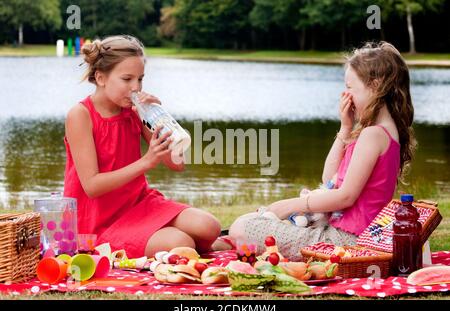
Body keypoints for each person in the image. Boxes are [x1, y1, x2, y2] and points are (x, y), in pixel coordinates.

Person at [227, 41, 417, 261]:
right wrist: (345, 128)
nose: (346, 95)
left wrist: (292, 205)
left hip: (346, 241)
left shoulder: (373, 135)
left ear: (375, 86)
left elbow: (345, 197)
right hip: (347, 235)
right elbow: (330, 179)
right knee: (249, 221)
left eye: (350, 87)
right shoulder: (377, 131)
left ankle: (239, 240)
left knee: (242, 228)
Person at [63, 35, 221, 259]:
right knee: (181, 242)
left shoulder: (135, 112)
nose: (135, 87)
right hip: (98, 223)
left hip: (139, 205)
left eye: (140, 79)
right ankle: (186, 246)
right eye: (127, 79)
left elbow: (177, 164)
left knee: (209, 226)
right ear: (100, 78)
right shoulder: (80, 115)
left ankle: (187, 245)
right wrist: (146, 162)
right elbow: (92, 186)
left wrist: (160, 119)